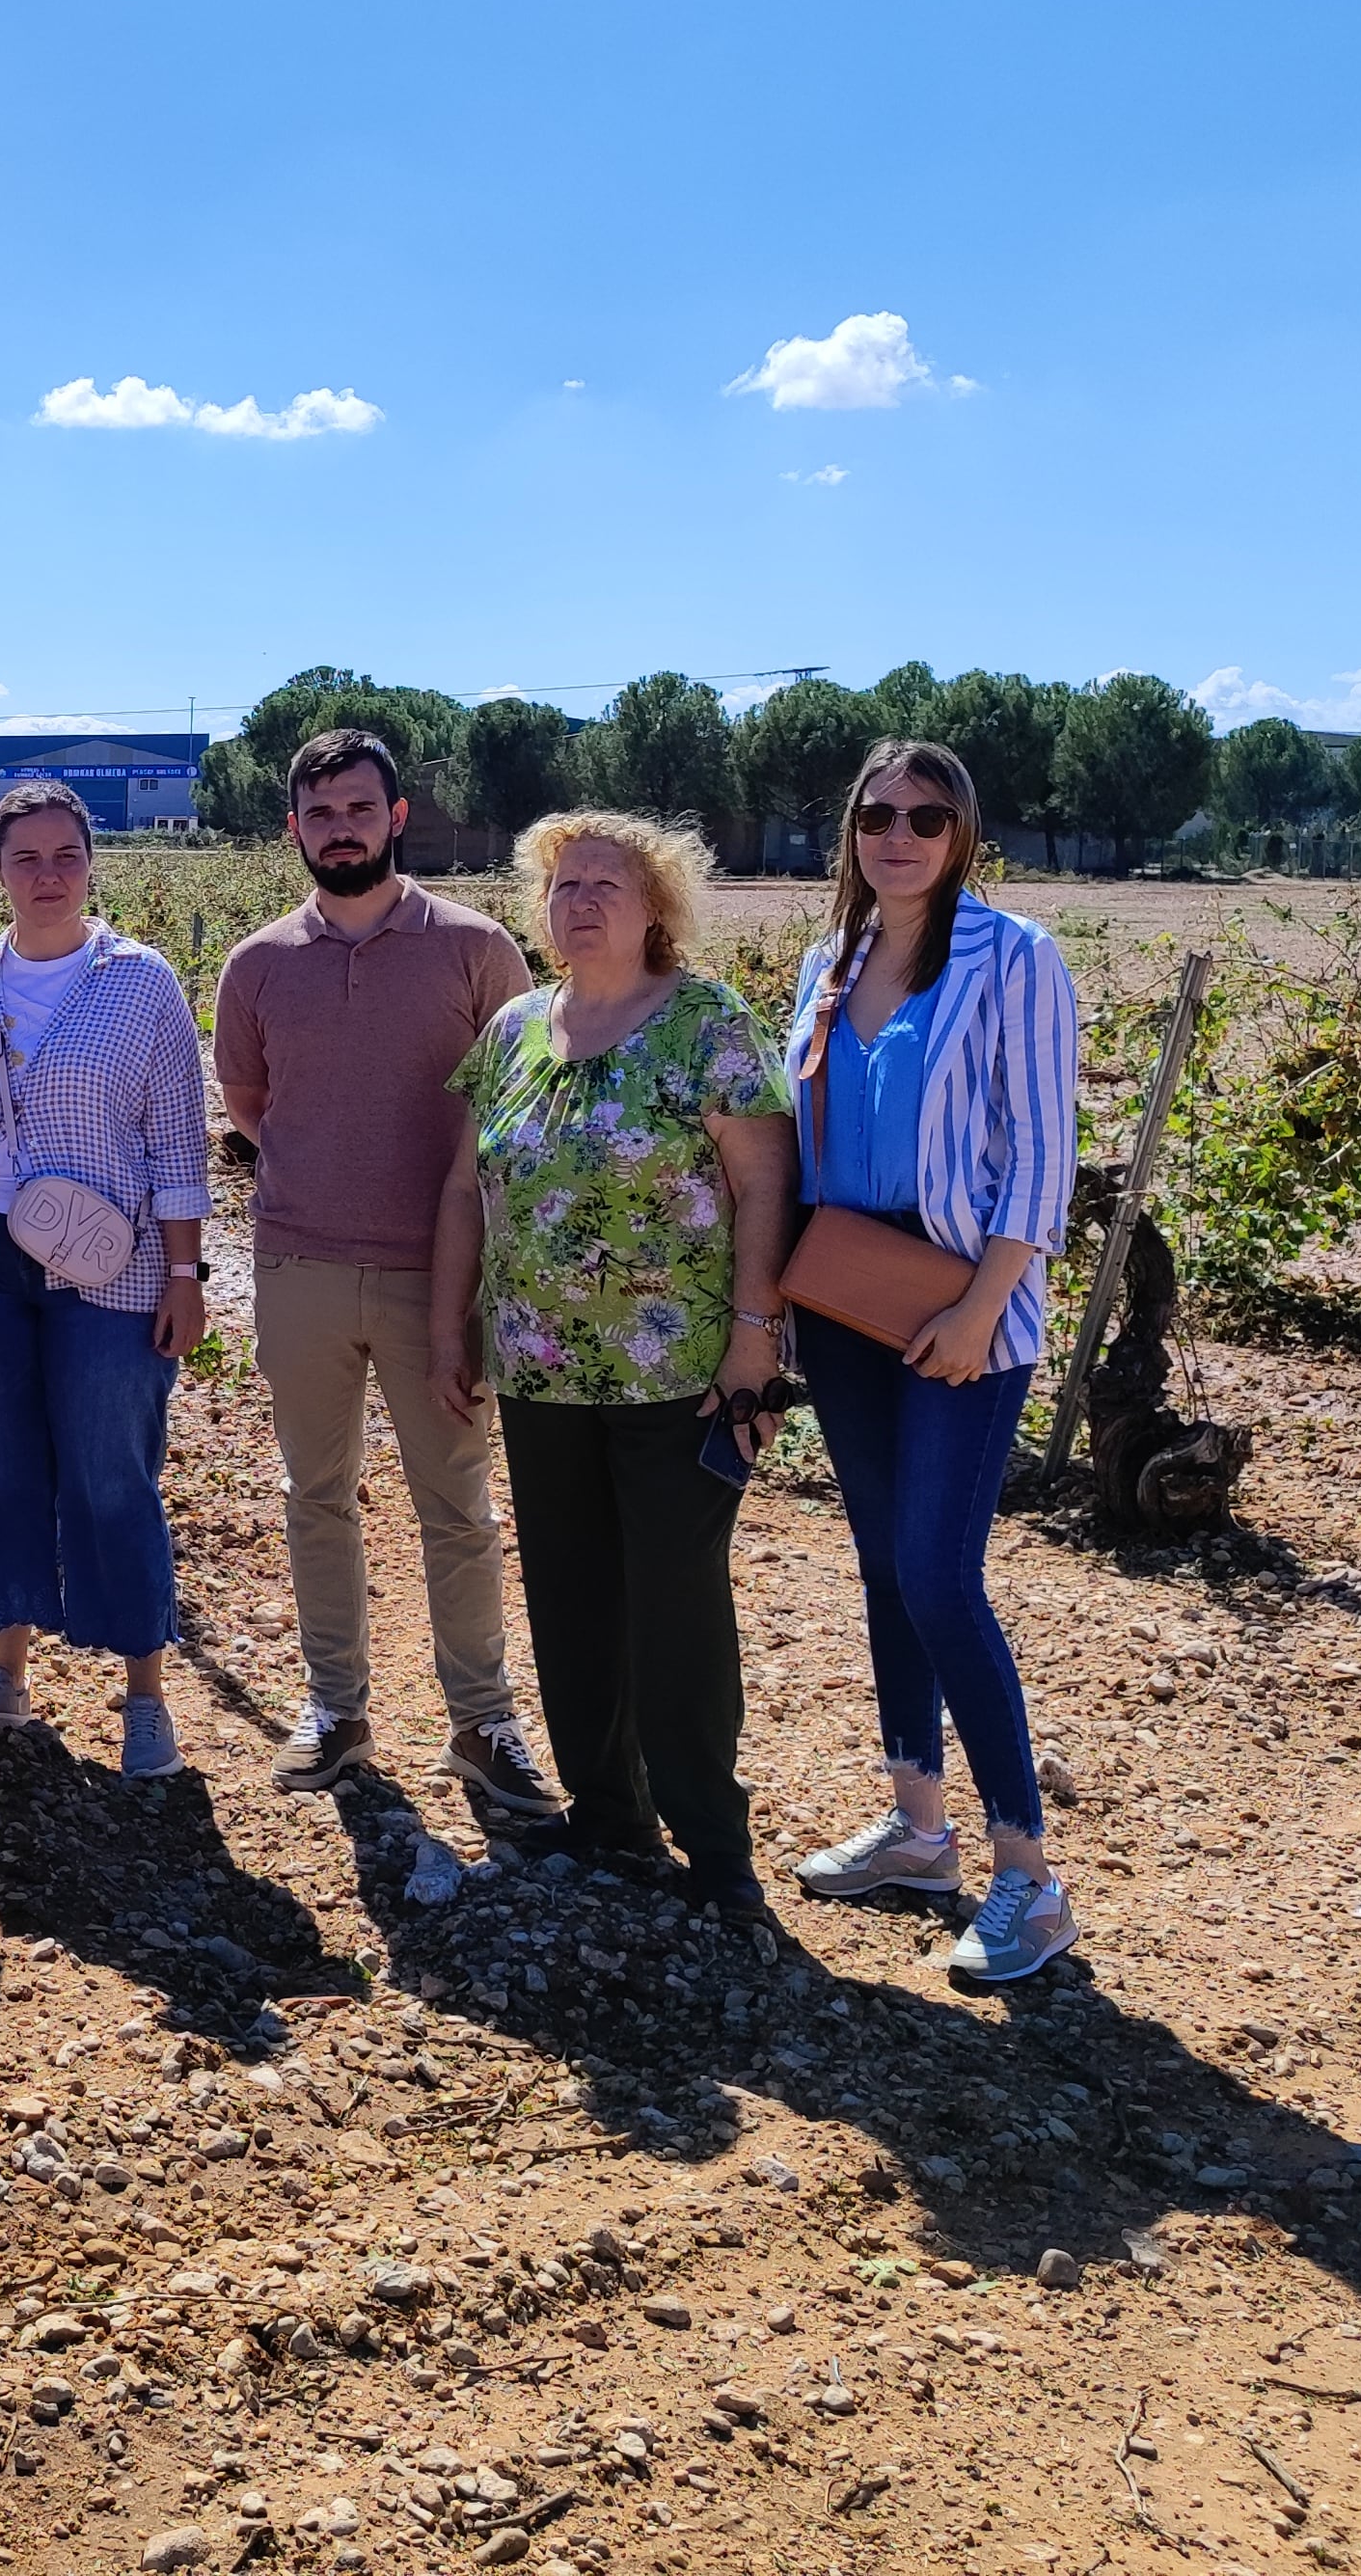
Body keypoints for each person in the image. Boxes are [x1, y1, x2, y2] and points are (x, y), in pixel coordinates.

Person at [429, 814, 796, 1915]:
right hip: (540, 1370)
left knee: (675, 1605)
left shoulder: (705, 1025)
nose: (581, 901)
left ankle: (714, 1845)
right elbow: (462, 1192)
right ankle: (608, 1814)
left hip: (676, 1375)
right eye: (563, 884)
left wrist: (752, 1337)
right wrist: (452, 1328)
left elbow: (766, 1189)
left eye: (607, 884)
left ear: (656, 910)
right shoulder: (511, 1033)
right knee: (571, 1598)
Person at [212, 727, 559, 1828]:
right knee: (313, 1497)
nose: (341, 829)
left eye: (360, 809)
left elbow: (516, 1106)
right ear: (293, 829)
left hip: (436, 1277)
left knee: (454, 1503)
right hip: (300, 1264)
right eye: (320, 814)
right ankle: (335, 1710)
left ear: (397, 818)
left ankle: (482, 1721)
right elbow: (252, 1109)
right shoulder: (258, 963)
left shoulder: (475, 950)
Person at [778, 741, 1084, 1981]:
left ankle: (1029, 1874)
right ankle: (918, 1830)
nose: (896, 833)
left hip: (961, 1302)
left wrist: (981, 1307)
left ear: (961, 833)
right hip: (848, 1293)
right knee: (879, 1565)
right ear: (849, 830)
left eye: (925, 815)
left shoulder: (1016, 958)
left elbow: (1044, 1151)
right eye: (874, 813)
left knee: (939, 1576)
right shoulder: (828, 961)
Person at [0, 781, 212, 1780]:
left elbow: (177, 1139)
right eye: (25, 857)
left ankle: (143, 1695)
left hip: (110, 1263)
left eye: (64, 854)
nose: (47, 874)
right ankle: (5, 1673)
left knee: (113, 1470)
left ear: (89, 862)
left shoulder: (140, 981)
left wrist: (186, 1270)